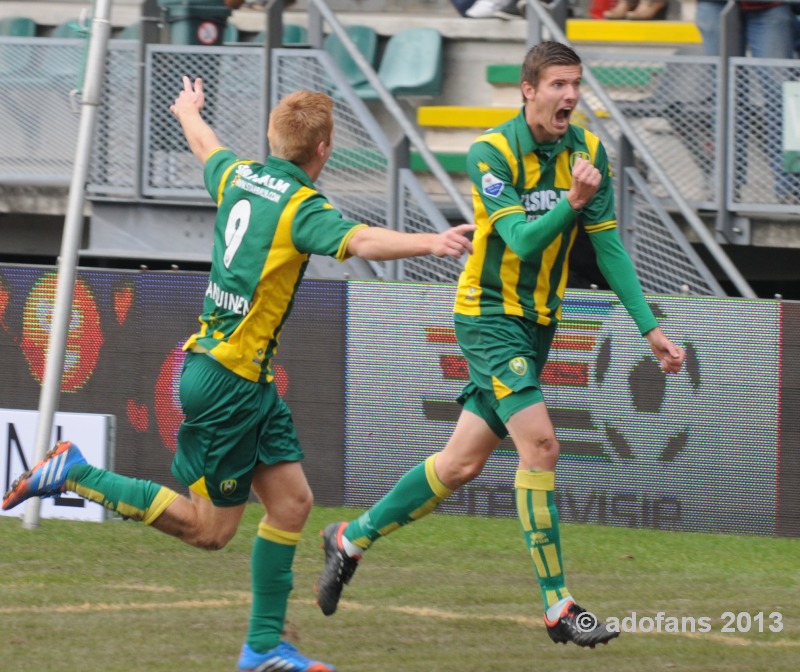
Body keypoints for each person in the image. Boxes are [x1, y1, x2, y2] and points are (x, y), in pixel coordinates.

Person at [2, 82, 475, 672]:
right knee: (209, 530)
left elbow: (207, 147)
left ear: (275, 140)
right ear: (324, 149)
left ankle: (263, 649)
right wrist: (435, 239)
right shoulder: (304, 208)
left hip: (242, 380)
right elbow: (360, 240)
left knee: (293, 505)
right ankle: (76, 473)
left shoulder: (240, 176)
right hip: (229, 382)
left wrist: (186, 111)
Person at [315, 40, 686, 649]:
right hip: (488, 316)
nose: (571, 96)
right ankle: (558, 606)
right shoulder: (492, 152)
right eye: (559, 85)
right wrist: (572, 202)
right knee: (541, 445)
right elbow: (520, 241)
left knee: (461, 464)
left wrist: (651, 328)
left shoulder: (588, 153)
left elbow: (610, 248)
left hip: (538, 322)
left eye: (576, 84)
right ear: (528, 89)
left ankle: (349, 539)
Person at [695, 0, 798, 202]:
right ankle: (724, 188)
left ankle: (792, 187)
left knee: (785, 96)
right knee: (724, 96)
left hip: (771, 5)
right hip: (714, 5)